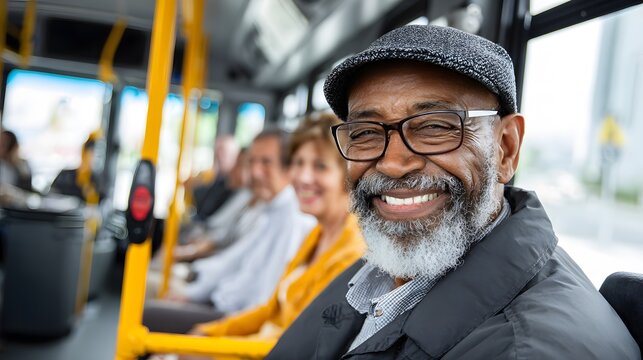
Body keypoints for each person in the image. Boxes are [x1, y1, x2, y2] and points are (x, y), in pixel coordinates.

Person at [267, 25, 640, 359]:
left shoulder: (527, 349)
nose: (394, 163)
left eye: (434, 127)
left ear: (506, 148)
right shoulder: (386, 268)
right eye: (365, 133)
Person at [183, 114, 365, 352]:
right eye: (298, 163)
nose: (302, 177)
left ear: (348, 174)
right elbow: (271, 309)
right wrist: (210, 333)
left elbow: (303, 342)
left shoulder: (351, 253)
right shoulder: (317, 235)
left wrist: (214, 352)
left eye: (320, 166)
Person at [143, 129, 315, 333]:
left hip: (236, 319)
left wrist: (212, 329)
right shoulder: (269, 211)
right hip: (222, 302)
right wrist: (194, 293)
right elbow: (235, 263)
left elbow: (261, 301)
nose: (255, 172)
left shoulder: (292, 218)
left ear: (289, 168)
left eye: (266, 163)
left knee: (148, 315)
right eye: (252, 162)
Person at [189, 135, 240, 220]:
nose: (219, 156)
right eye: (217, 152)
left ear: (235, 156)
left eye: (223, 152)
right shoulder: (217, 179)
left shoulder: (234, 186)